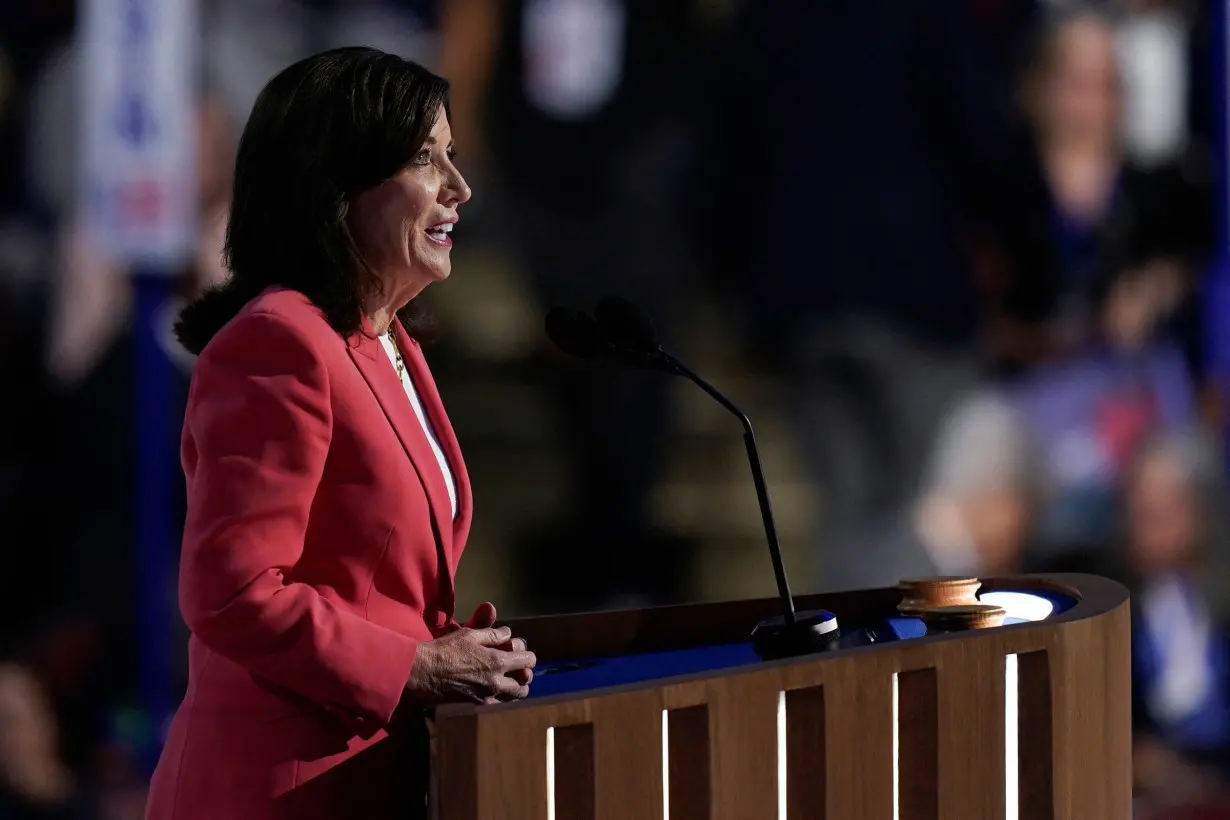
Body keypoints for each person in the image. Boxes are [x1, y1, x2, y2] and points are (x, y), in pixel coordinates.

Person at [143, 48, 537, 820]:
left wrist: (463, 652)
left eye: (452, 157)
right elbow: (232, 593)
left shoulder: (388, 344)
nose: (459, 189)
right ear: (337, 182)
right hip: (279, 788)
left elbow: (369, 580)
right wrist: (417, 664)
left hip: (372, 776)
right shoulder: (278, 343)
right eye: (425, 160)